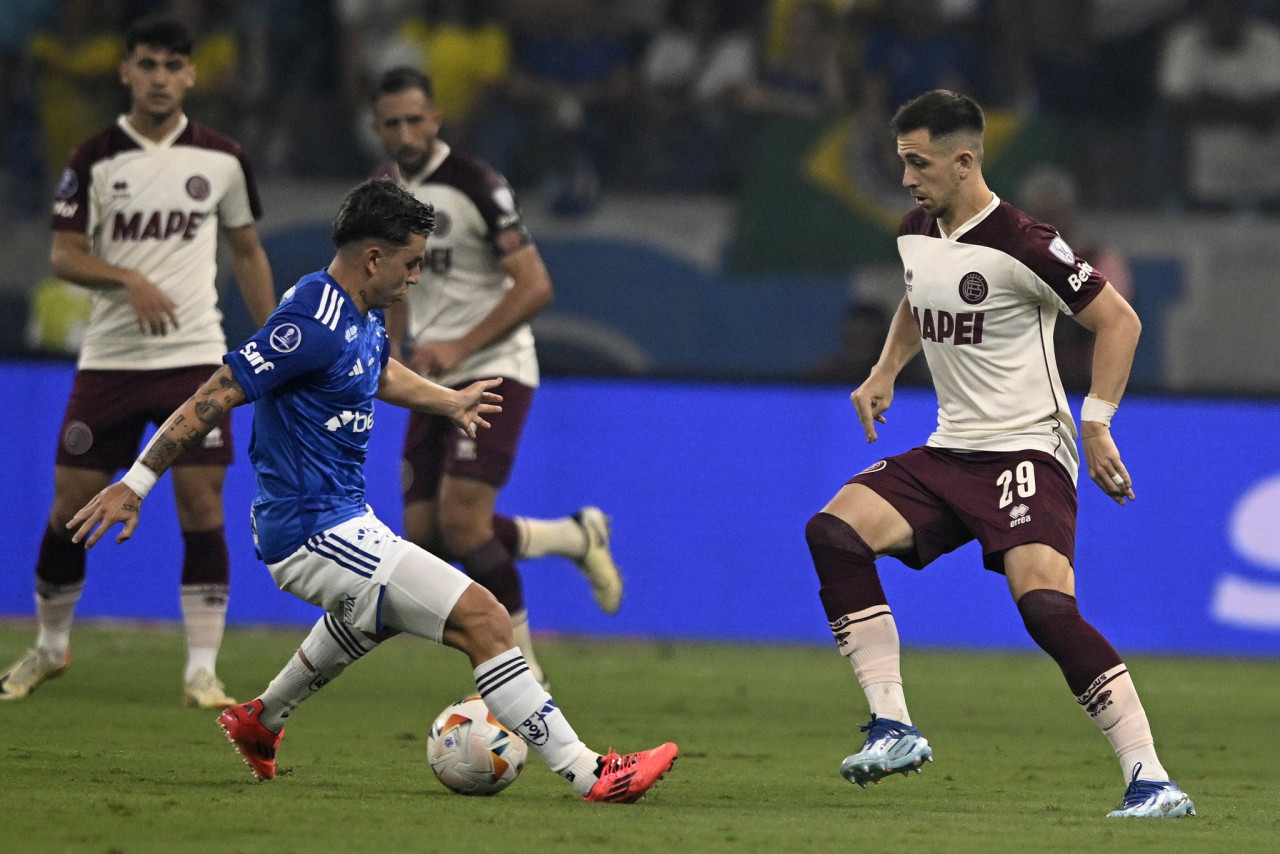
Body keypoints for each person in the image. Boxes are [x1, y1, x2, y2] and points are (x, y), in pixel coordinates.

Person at [65, 177, 678, 802]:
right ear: (374, 258)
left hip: (342, 517)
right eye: (412, 263)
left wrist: (450, 402)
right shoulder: (310, 320)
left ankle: (260, 719)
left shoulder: (363, 316)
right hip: (310, 530)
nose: (416, 278)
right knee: (486, 619)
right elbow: (216, 393)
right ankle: (593, 774)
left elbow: (376, 369)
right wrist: (135, 483)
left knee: (373, 618)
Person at [802, 90, 1195, 819]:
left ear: (964, 161)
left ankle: (1152, 779)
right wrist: (887, 367)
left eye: (918, 164)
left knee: (1046, 608)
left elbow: (1120, 321)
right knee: (834, 532)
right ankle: (893, 726)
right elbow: (920, 297)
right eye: (902, 163)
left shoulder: (1025, 241)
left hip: (1027, 454)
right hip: (952, 450)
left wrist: (1097, 423)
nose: (908, 179)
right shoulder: (916, 230)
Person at [0, 15, 275, 708]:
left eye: (173, 66)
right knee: (70, 503)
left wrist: (273, 341)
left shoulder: (221, 159)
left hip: (194, 355)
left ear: (191, 75)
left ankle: (201, 671)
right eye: (147, 64)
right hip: (112, 358)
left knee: (202, 500)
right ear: (126, 72)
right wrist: (127, 278)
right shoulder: (92, 158)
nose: (160, 78)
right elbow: (63, 254)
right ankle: (50, 647)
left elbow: (246, 250)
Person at [369, 66, 623, 688]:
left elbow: (535, 285)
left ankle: (523, 676)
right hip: (433, 377)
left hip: (494, 367)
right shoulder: (381, 194)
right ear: (378, 129)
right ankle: (571, 536)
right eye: (392, 123)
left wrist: (461, 344)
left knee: (463, 521)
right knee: (427, 537)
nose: (405, 132)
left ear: (436, 119)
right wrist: (398, 351)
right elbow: (394, 284)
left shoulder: (477, 184)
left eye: (415, 119)